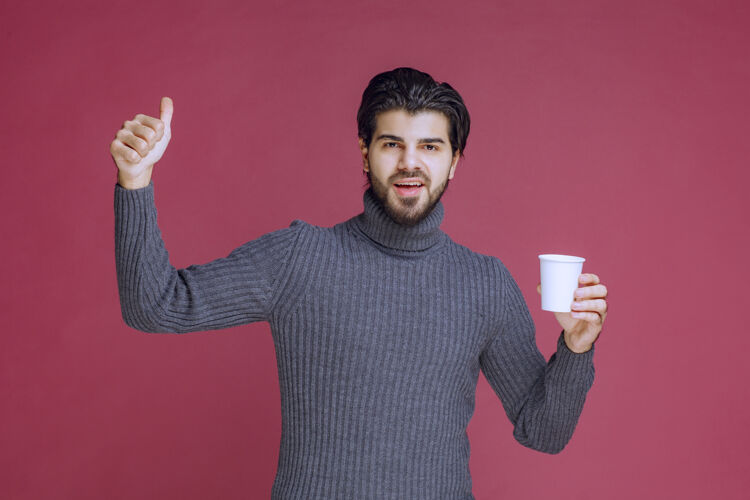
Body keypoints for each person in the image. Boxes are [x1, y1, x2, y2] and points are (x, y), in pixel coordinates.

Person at [110, 67, 608, 500]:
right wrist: (135, 181)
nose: (410, 162)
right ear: (365, 153)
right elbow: (155, 305)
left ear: (454, 161)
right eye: (393, 144)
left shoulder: (485, 283)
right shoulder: (300, 259)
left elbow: (544, 432)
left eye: (430, 147)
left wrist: (577, 348)